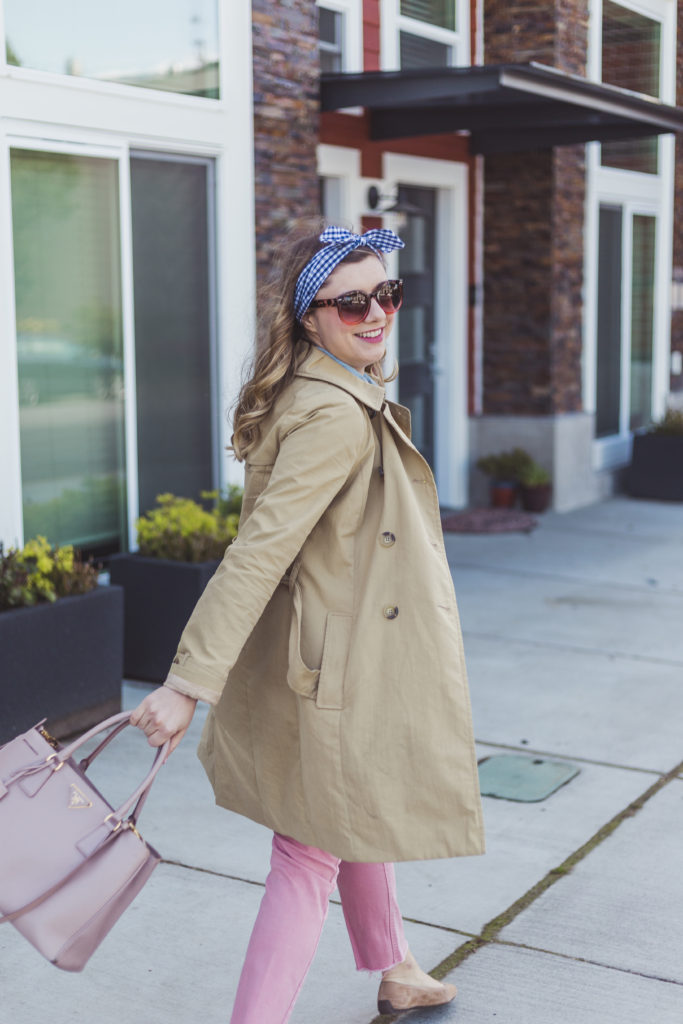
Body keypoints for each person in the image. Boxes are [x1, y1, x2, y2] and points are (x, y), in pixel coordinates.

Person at [130, 224, 485, 1023]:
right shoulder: (333, 414)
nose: (376, 313)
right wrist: (188, 684)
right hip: (337, 668)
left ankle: (396, 969)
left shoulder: (317, 388)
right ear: (308, 315)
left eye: (386, 293)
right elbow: (257, 553)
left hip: (327, 653)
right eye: (351, 301)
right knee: (305, 851)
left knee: (352, 809)